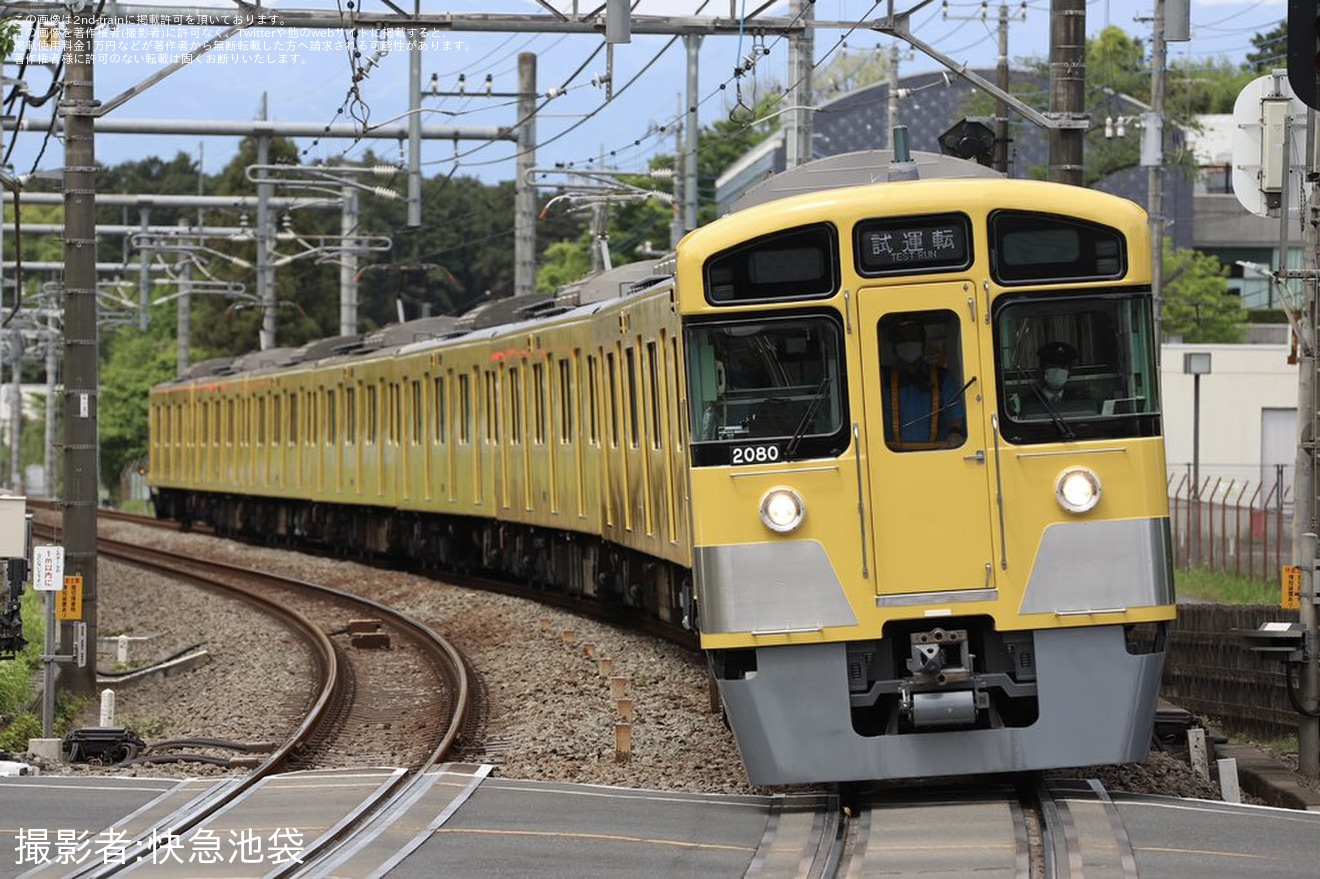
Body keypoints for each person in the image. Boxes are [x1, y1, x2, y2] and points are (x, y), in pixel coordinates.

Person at [881, 319, 966, 451]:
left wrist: (955, 433)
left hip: (936, 455)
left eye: (914, 338)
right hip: (890, 456)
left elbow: (955, 414)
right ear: (893, 346)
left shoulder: (942, 377)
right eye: (902, 339)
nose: (909, 343)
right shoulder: (881, 379)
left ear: (923, 343)